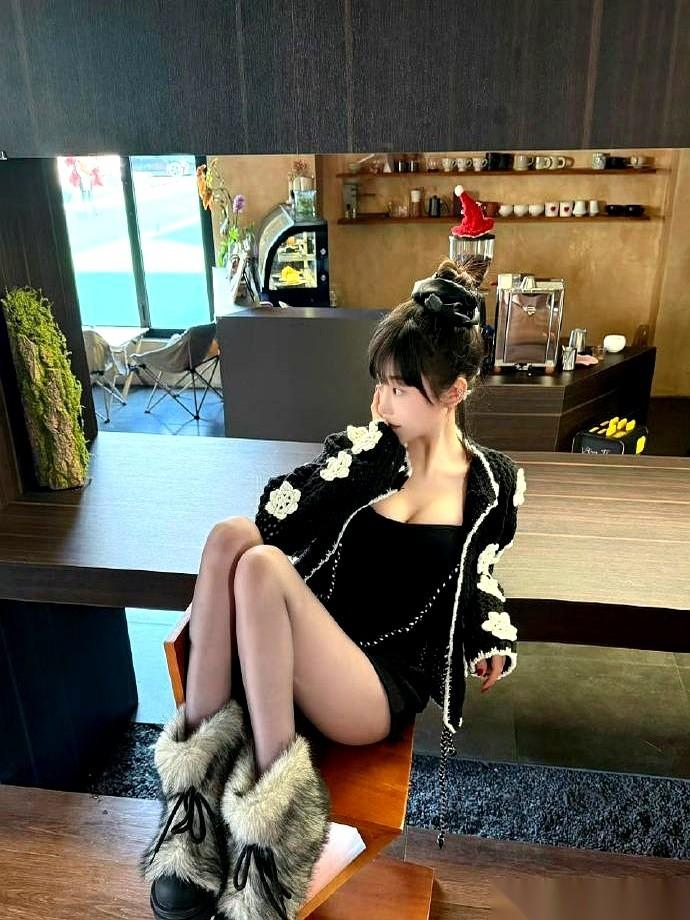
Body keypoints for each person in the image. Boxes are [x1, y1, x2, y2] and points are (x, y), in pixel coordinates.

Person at [139, 257, 527, 920]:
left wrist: (488, 636)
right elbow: (277, 521)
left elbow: (479, 569)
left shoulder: (492, 485)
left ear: (454, 392)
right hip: (316, 640)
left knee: (262, 569)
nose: (381, 404)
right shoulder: (368, 450)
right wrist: (353, 472)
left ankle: (275, 835)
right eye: (379, 384)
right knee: (232, 537)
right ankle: (194, 808)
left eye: (400, 389)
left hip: (375, 682)